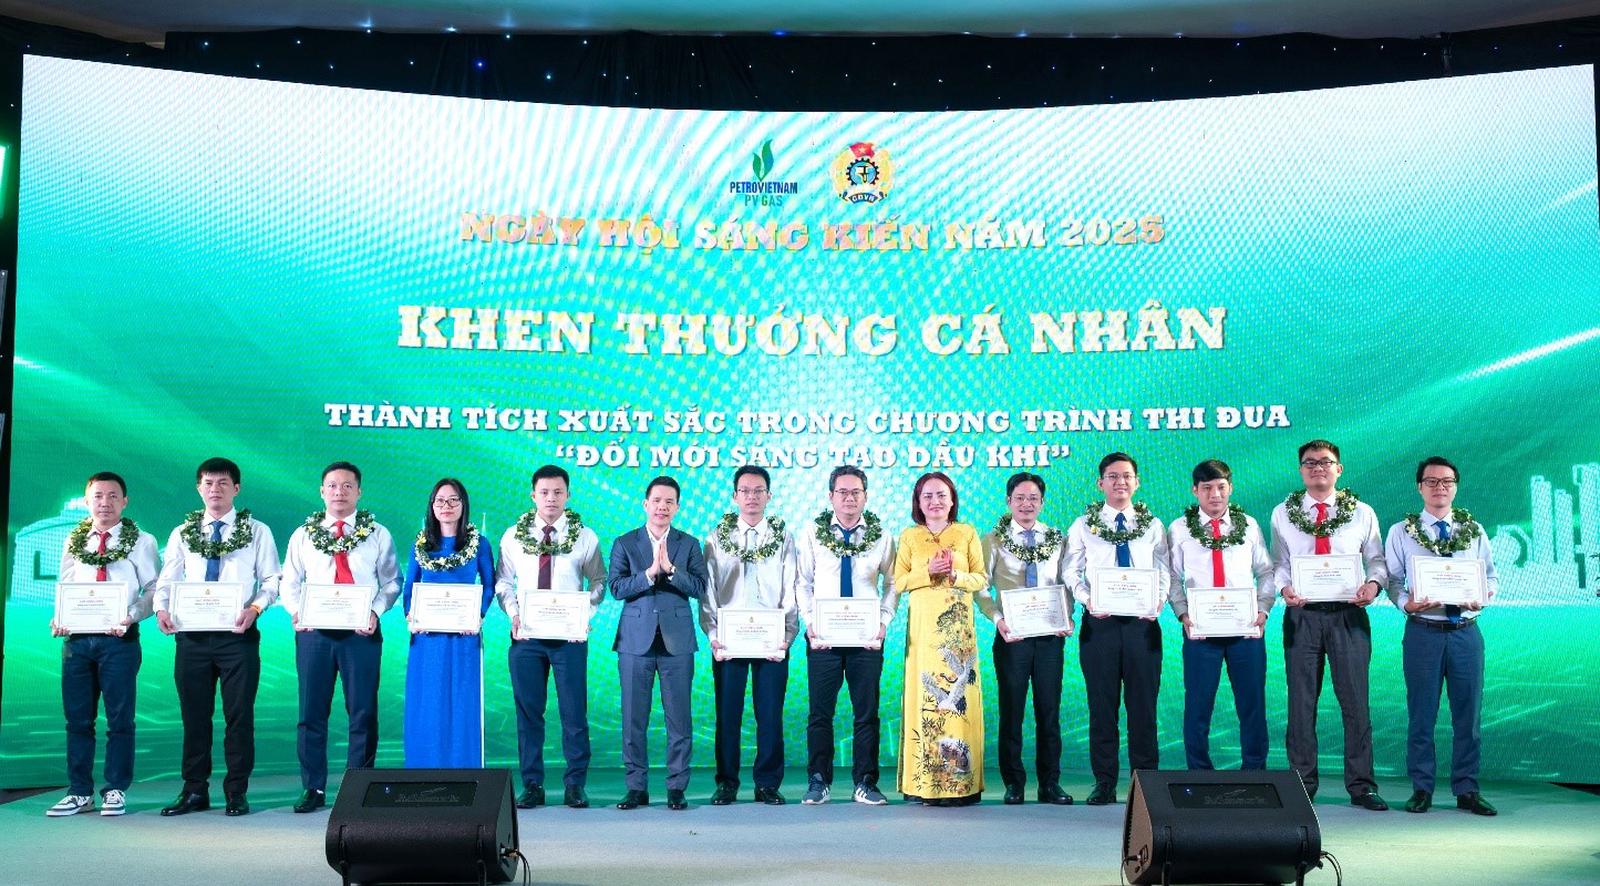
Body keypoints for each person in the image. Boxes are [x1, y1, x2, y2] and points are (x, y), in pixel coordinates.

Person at [153, 457, 281, 817]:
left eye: (223, 483)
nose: (215, 490)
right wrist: (162, 609)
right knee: (194, 716)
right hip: (191, 637)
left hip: (237, 636)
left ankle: (236, 791)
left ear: (236, 488)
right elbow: (167, 579)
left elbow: (272, 579)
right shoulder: (183, 532)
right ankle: (194, 790)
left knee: (239, 716)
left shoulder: (257, 531)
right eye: (208, 483)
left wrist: (254, 608)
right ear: (199, 488)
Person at [1272, 439, 1389, 810]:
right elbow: (1280, 564)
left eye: (1325, 462)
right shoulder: (1283, 513)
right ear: (1300, 470)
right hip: (1302, 615)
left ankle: (1362, 785)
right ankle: (1301, 785)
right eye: (1310, 462)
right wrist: (1285, 588)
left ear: (1339, 469)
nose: (1317, 468)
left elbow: (1377, 561)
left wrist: (1373, 586)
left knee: (1355, 702)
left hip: (1348, 615)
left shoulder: (1362, 512)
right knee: (1300, 702)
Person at [280, 461, 400, 813]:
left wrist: (375, 611)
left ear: (359, 492)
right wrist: (296, 611)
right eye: (332, 486)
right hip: (314, 634)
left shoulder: (377, 533)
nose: (339, 492)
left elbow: (392, 582)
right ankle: (313, 787)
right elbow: (290, 581)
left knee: (362, 712)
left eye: (347, 486)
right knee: (311, 712)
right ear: (322, 491)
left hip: (360, 635)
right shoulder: (303, 535)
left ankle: (358, 787)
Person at [1384, 456, 1498, 816]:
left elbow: (1490, 576)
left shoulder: (1473, 529)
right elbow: (1393, 580)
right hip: (1424, 632)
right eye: (1431, 481)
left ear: (1456, 487)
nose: (1440, 487)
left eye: (1447, 481)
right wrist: (1407, 603)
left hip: (1466, 633)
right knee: (1422, 715)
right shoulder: (1401, 531)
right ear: (1420, 487)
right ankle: (1422, 788)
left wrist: (1482, 596)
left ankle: (1467, 788)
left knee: (1469, 716)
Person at [46, 471, 159, 818]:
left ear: (125, 501)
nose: (104, 503)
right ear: (87, 501)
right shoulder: (74, 539)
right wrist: (59, 617)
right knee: (77, 720)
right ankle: (79, 792)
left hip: (119, 641)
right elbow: (67, 585)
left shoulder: (142, 540)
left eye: (112, 496)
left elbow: (154, 589)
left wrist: (131, 616)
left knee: (119, 719)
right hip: (77, 642)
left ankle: (115, 789)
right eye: (97, 496)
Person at [495, 465, 606, 809]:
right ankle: (532, 784)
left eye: (558, 492)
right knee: (529, 713)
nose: (551, 498)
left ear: (567, 495)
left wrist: (584, 615)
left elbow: (599, 582)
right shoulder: (513, 536)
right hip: (526, 638)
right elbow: (503, 582)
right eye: (544, 492)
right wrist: (514, 615)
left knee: (574, 713)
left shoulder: (585, 536)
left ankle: (575, 784)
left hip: (569, 640)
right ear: (533, 495)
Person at [1065, 452, 1170, 806]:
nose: (1120, 482)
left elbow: (1164, 568)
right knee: (1102, 706)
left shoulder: (1152, 525)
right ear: (1101, 483)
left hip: (1143, 625)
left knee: (1144, 707)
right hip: (1100, 625)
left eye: (1126, 476)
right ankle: (1104, 782)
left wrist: (1159, 599)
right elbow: (1070, 570)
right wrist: (1087, 600)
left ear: (1136, 482)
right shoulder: (1083, 525)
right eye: (1112, 476)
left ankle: (1145, 784)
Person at [794, 465, 897, 806]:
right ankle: (818, 780)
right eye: (843, 492)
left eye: (856, 492)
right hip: (823, 637)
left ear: (865, 497)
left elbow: (893, 583)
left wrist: (883, 621)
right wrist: (810, 621)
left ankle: (865, 782)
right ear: (831, 496)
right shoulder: (812, 532)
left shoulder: (881, 535)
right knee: (820, 713)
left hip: (866, 638)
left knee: (866, 713)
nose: (849, 498)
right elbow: (803, 582)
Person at [1165, 459, 1273, 772]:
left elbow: (1266, 571)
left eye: (1221, 487)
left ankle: (1254, 772)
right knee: (1198, 705)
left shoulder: (1248, 525)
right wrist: (1183, 614)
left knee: (1252, 705)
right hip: (1200, 632)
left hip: (1246, 631)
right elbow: (1171, 577)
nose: (1215, 494)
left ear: (1231, 488)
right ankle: (1199, 773)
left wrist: (1263, 609)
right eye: (1207, 488)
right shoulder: (1179, 528)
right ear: (1195, 490)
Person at [701, 465, 799, 806]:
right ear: (734, 496)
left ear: (769, 496)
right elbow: (709, 589)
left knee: (769, 714)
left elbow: (791, 586)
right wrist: (713, 634)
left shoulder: (782, 537)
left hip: (771, 640)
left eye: (759, 491)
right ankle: (727, 782)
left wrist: (786, 635)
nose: (752, 497)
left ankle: (767, 783)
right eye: (745, 490)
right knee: (728, 714)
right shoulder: (717, 537)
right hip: (730, 641)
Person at [609, 475, 708, 811]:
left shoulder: (689, 544)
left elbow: (700, 588)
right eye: (657, 501)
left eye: (669, 502)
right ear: (645, 504)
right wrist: (650, 574)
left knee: (679, 719)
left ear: (677, 507)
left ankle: (677, 787)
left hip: (676, 641)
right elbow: (616, 588)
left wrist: (671, 570)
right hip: (634, 641)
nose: (662, 507)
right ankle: (636, 787)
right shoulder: (625, 542)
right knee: (633, 719)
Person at [977, 471, 1074, 805]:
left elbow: (1066, 583)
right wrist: (998, 619)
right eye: (1019, 498)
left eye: (1033, 498)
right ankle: (1014, 783)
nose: (1026, 504)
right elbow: (980, 588)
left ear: (1042, 502)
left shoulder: (1056, 538)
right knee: (1012, 711)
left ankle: (1050, 783)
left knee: (1049, 711)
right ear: (1008, 501)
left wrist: (1068, 616)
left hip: (1049, 638)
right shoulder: (993, 539)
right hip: (1012, 639)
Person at [895, 471, 987, 806]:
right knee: (927, 699)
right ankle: (925, 785)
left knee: (959, 701)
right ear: (918, 502)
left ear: (952, 500)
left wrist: (955, 575)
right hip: (923, 633)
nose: (935, 502)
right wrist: (928, 572)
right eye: (927, 496)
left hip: (957, 633)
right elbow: (899, 582)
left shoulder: (966, 533)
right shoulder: (909, 536)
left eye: (941, 495)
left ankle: (960, 785)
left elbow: (981, 579)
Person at [402, 478, 495, 768]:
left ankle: (463, 769)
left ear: (463, 505)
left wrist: (478, 615)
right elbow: (409, 587)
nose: (447, 506)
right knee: (428, 701)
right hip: (427, 638)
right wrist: (411, 615)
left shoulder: (479, 544)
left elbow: (489, 585)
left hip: (464, 636)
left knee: (461, 701)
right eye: (440, 500)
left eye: (454, 500)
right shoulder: (421, 543)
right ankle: (424, 768)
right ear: (432, 505)